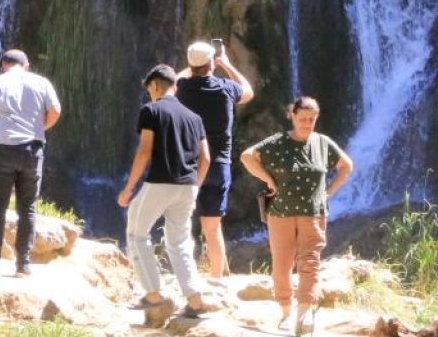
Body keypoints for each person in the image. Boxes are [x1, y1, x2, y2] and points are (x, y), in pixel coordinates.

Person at [240, 97, 353, 335]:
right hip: (280, 212)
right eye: (303, 119)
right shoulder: (278, 142)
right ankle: (285, 310)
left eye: (311, 119)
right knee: (282, 265)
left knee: (310, 262)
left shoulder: (323, 143)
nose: (307, 123)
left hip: (313, 213)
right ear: (292, 115)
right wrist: (269, 179)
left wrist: (328, 193)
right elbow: (247, 156)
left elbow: (346, 166)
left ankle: (304, 315)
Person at [118, 64, 211, 318]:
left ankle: (153, 294)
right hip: (188, 186)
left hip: (159, 182)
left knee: (137, 234)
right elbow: (206, 158)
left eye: (149, 89)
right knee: (179, 242)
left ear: (154, 86)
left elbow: (145, 151)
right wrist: (195, 185)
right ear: (175, 86)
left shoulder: (151, 110)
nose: (149, 94)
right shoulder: (194, 117)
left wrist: (129, 188)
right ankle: (194, 299)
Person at [0, 49, 61, 278]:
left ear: (4, 65)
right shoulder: (42, 82)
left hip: (3, 149)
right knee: (27, 208)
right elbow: (55, 111)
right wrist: (40, 129)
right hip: (33, 149)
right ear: (26, 65)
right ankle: (23, 265)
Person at [176, 40, 254, 278]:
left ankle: (186, 277)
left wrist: (191, 67)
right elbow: (248, 92)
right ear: (212, 63)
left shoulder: (183, 88)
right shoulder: (226, 88)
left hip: (189, 165)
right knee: (213, 228)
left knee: (181, 225)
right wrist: (227, 65)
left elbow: (170, 82)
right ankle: (216, 279)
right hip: (219, 166)